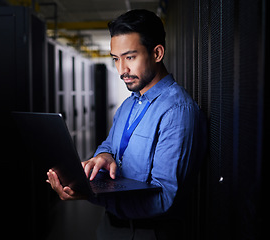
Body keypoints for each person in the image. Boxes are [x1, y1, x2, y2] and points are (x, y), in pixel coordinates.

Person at [47, 9, 207, 239]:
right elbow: (109, 146)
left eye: (130, 57)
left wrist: (88, 194)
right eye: (116, 58)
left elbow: (164, 199)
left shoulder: (177, 112)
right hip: (109, 227)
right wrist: (104, 156)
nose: (122, 70)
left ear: (157, 53)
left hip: (146, 233)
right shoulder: (128, 105)